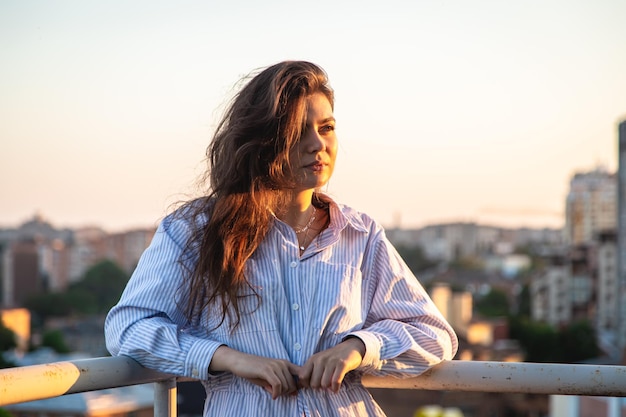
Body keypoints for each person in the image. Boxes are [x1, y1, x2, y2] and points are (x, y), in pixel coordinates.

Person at [104, 60, 458, 417]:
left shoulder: (361, 234)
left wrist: (357, 348)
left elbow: (434, 335)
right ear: (262, 141)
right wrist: (229, 359)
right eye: (299, 130)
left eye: (327, 127)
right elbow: (128, 328)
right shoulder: (195, 231)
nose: (317, 144)